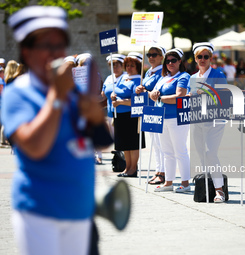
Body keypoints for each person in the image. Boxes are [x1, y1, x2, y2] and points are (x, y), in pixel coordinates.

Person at [1, 6, 109, 255]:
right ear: (26, 52)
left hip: (81, 210)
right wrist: (57, 96)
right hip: (41, 212)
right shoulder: (19, 93)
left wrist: (95, 114)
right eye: (46, 45)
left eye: (61, 44)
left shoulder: (73, 90)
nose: (56, 53)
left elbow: (103, 142)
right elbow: (35, 146)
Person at [190, 42, 227, 202]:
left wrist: (205, 92)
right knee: (200, 153)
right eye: (200, 57)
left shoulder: (218, 75)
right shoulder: (192, 77)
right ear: (195, 59)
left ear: (211, 58)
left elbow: (223, 96)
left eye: (206, 56)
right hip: (197, 120)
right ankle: (207, 185)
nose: (203, 59)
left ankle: (219, 190)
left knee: (210, 153)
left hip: (215, 120)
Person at [150, 48, 191, 192]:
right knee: (166, 152)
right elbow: (152, 94)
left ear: (180, 61)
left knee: (180, 151)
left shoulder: (184, 76)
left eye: (174, 60)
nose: (170, 63)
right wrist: (153, 94)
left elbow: (179, 96)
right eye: (168, 61)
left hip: (177, 118)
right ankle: (168, 183)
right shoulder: (163, 77)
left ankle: (185, 183)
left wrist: (160, 97)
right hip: (162, 117)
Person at [135, 45, 166, 185]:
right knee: (155, 144)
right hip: (148, 110)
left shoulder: (162, 73)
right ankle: (158, 171)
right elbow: (145, 90)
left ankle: (163, 172)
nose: (151, 57)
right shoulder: (148, 73)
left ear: (161, 57)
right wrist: (138, 89)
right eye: (149, 54)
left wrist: (145, 92)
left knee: (161, 143)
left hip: (158, 110)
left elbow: (156, 93)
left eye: (155, 54)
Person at [111, 52, 146, 177]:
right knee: (124, 144)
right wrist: (113, 96)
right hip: (120, 115)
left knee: (132, 143)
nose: (129, 68)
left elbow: (137, 100)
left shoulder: (138, 80)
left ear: (137, 67)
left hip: (132, 116)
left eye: (132, 65)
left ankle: (133, 168)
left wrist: (120, 102)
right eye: (127, 65)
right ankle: (127, 168)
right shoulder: (123, 78)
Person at [101, 53, 126, 160]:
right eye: (112, 65)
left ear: (122, 65)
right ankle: (119, 159)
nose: (114, 68)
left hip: (123, 112)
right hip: (111, 112)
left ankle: (126, 160)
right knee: (115, 137)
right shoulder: (108, 78)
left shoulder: (126, 77)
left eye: (117, 65)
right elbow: (103, 94)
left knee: (123, 138)